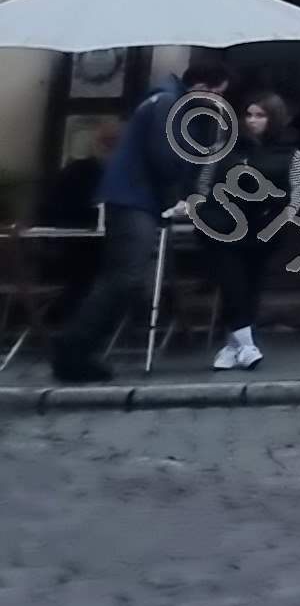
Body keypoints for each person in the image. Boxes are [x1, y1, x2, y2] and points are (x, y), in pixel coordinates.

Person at [48, 54, 233, 383]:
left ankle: (79, 350)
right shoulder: (168, 104)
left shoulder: (168, 102)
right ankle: (74, 350)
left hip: (135, 197)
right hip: (135, 199)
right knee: (124, 277)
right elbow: (165, 156)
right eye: (217, 93)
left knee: (124, 277)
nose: (218, 101)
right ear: (202, 87)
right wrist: (177, 198)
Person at [203, 92, 300, 371]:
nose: (252, 121)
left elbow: (297, 192)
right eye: (248, 114)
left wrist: (281, 218)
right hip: (221, 226)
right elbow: (205, 180)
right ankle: (247, 345)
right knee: (232, 283)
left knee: (249, 288)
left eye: (260, 115)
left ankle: (232, 347)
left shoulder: (289, 154)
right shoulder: (225, 147)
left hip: (263, 228)